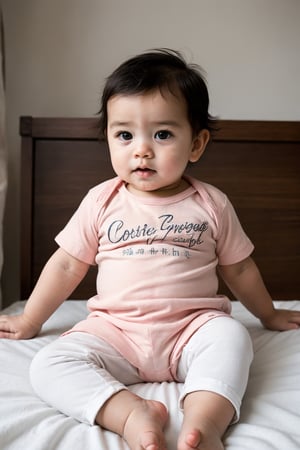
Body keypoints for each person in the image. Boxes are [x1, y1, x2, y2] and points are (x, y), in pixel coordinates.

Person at [1, 48, 300, 450]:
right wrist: (30, 320)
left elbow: (240, 269)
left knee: (232, 339)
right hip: (116, 332)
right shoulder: (101, 201)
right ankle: (132, 413)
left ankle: (205, 422)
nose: (141, 149)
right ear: (108, 137)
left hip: (191, 328)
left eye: (162, 134)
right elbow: (67, 265)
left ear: (196, 144)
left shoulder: (211, 203)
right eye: (124, 134)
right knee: (48, 365)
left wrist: (267, 314)